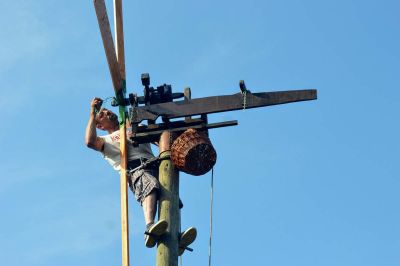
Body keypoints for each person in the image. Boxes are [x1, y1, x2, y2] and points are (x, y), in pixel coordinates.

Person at [85, 97, 196, 252]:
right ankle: (150, 226)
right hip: (136, 169)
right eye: (102, 114)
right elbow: (90, 141)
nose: (107, 112)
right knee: (150, 185)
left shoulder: (133, 127)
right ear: (100, 126)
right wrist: (92, 113)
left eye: (107, 110)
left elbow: (159, 138)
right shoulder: (105, 139)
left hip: (157, 164)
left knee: (172, 196)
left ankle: (176, 236)